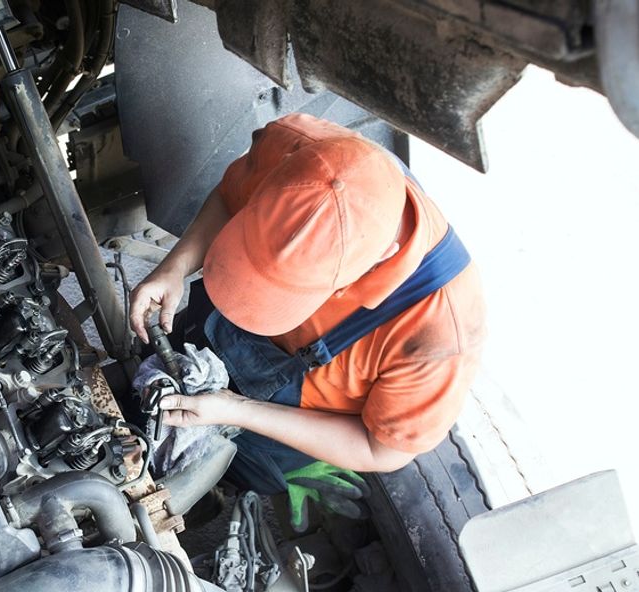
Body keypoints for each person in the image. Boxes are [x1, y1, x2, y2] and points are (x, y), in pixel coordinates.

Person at [129, 113, 485, 530]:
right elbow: (229, 196)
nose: (253, 300)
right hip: (212, 333)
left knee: (240, 471)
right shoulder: (298, 149)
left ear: (367, 270)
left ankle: (221, 488)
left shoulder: (440, 334)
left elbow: (381, 450)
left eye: (277, 294)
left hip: (280, 424)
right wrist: (175, 267)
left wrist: (238, 411)